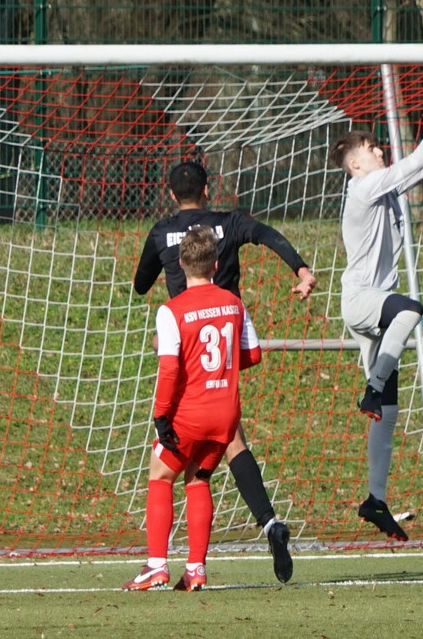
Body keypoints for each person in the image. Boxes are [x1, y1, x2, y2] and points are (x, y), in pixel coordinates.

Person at [133, 159, 316, 583]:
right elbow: (267, 235)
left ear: (171, 193)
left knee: (166, 471)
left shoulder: (163, 233)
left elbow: (141, 284)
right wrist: (302, 269)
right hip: (228, 341)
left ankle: (159, 564)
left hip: (187, 349)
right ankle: (263, 527)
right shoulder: (229, 225)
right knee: (223, 448)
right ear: (207, 189)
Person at [329, 67, 423, 541]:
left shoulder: (381, 187)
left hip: (374, 309)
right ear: (355, 163)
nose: (380, 151)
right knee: (411, 309)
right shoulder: (363, 187)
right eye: (372, 149)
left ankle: (375, 499)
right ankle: (372, 388)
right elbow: (417, 159)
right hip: (362, 301)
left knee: (387, 414)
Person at [123, 226, 262, 591]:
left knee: (160, 476)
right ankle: (196, 569)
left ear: (181, 264)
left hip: (190, 412)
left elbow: (169, 369)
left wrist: (161, 415)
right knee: (198, 480)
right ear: (216, 265)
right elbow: (253, 354)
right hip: (225, 414)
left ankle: (156, 565)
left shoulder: (172, 311)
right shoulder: (234, 303)